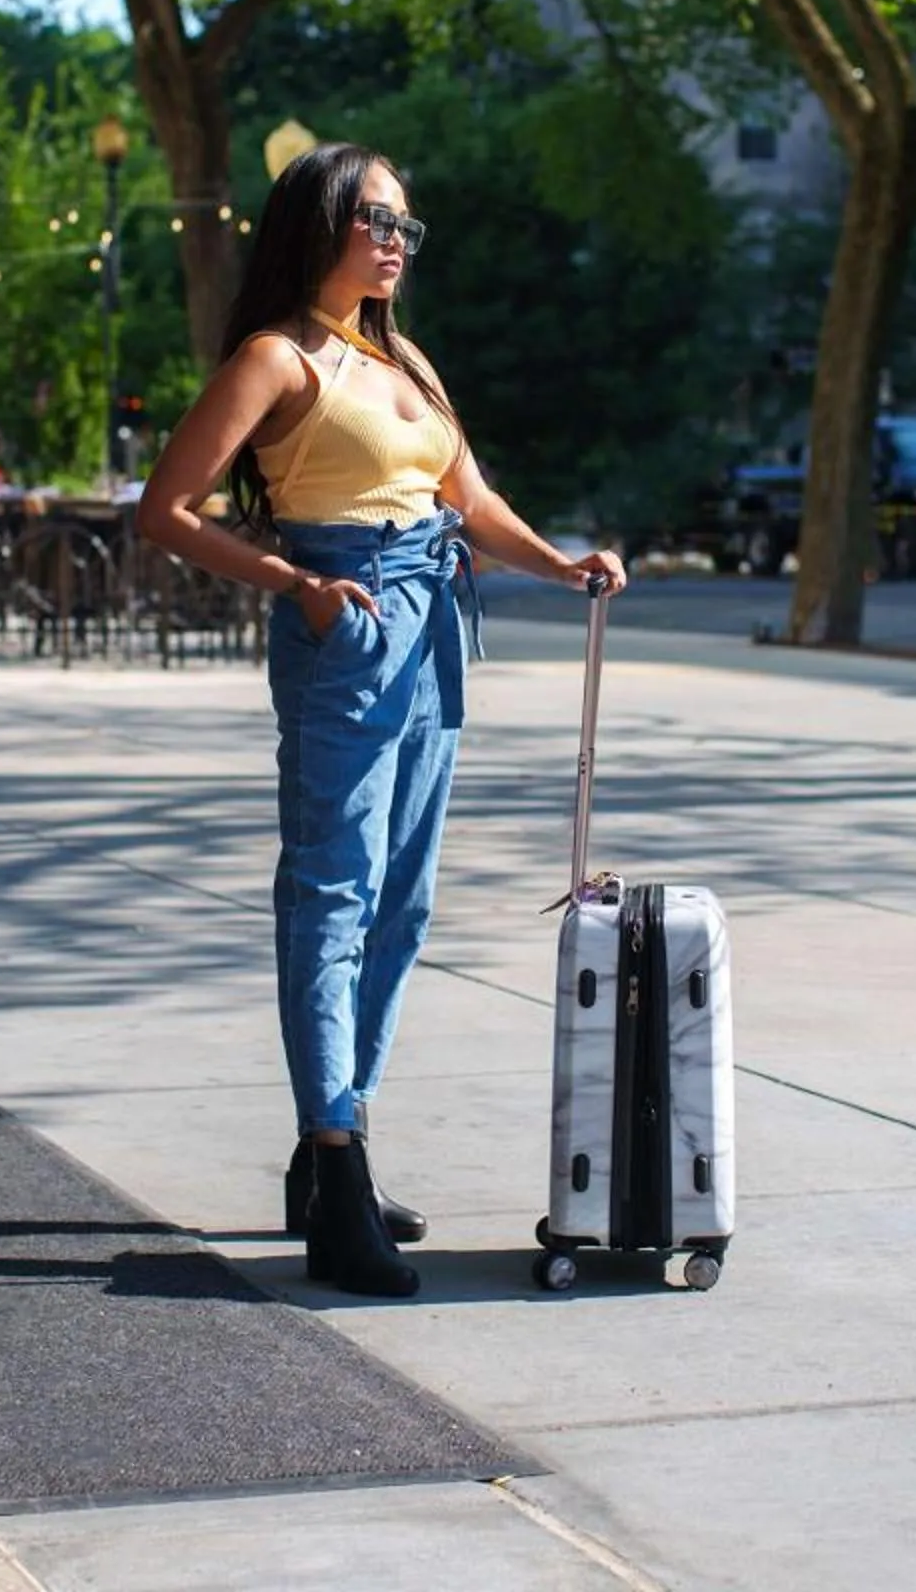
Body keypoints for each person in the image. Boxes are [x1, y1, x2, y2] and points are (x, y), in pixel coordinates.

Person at [135, 142, 628, 1298]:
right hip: (347, 625)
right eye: (376, 219)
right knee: (333, 896)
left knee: (402, 903)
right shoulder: (277, 357)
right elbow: (167, 509)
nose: (397, 240)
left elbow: (470, 497)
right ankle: (338, 1169)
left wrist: (563, 564)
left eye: (407, 223)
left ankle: (332, 1145)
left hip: (436, 622)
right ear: (320, 223)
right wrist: (293, 582)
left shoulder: (403, 356)